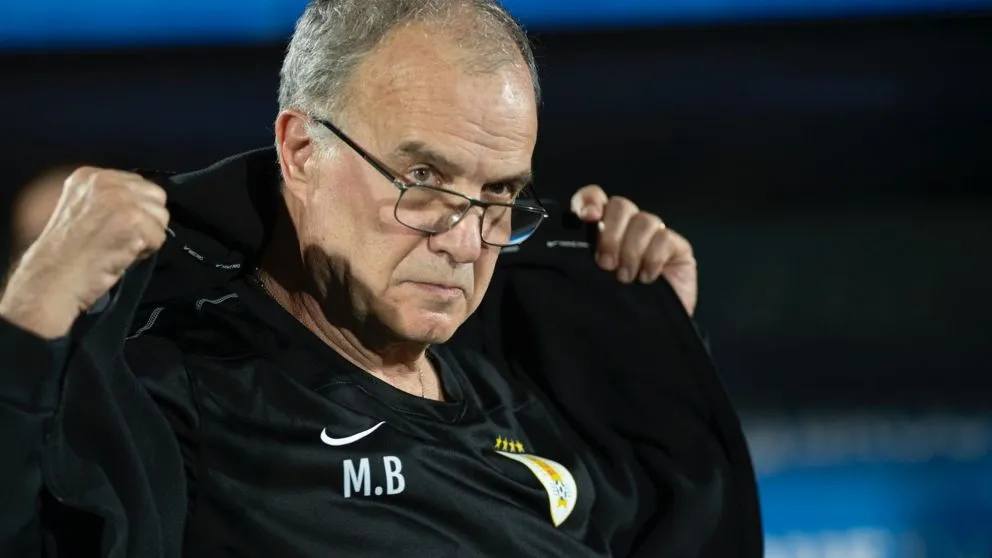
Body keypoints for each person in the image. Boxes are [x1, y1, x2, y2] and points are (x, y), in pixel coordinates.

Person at [0, 1, 761, 557]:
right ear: (301, 152)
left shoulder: (532, 395)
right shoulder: (183, 389)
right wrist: (33, 315)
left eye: (500, 193)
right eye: (422, 178)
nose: (465, 239)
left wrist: (655, 351)